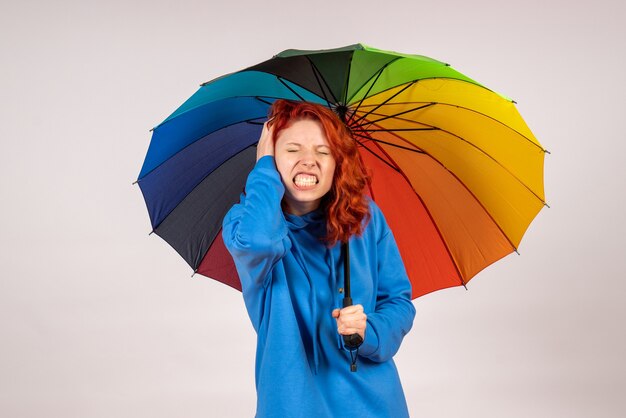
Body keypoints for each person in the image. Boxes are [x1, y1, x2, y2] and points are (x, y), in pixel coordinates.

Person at [222, 100, 416, 417]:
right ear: (270, 157)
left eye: (323, 152)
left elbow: (398, 302)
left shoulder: (366, 219)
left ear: (337, 162)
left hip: (374, 405)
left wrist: (370, 330)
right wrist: (264, 166)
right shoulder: (245, 223)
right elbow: (257, 242)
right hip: (291, 405)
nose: (309, 161)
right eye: (293, 150)